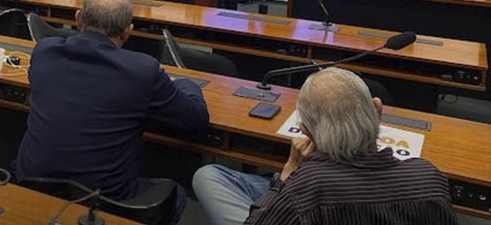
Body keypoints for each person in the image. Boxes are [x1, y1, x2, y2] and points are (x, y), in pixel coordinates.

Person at [13, 0, 209, 222]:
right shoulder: (142, 70)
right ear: (128, 31)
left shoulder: (44, 51)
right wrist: (188, 83)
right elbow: (195, 120)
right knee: (177, 196)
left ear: (77, 19)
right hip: (104, 199)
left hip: (32, 183)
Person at [192, 67, 457, 225]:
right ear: (377, 111)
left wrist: (288, 172)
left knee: (208, 177)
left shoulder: (305, 187)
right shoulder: (429, 178)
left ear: (305, 130)